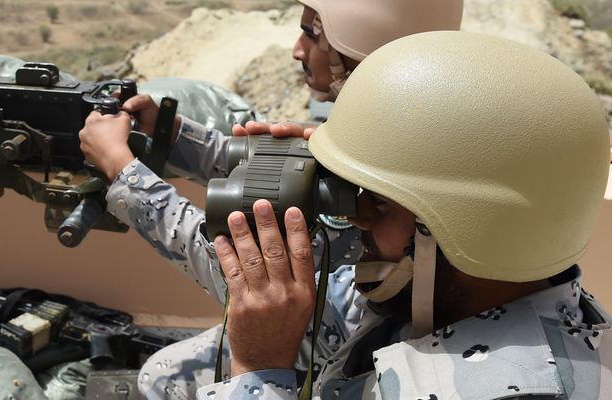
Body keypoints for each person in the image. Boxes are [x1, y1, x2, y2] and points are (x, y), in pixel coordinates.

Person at [199, 30, 612, 399]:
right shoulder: (505, 289)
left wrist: (257, 370)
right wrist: (341, 162)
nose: (359, 217)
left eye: (379, 202)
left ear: (464, 227)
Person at [78, 1, 463, 397]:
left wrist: (124, 174)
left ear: (351, 54)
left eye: (312, 34)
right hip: (364, 312)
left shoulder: (395, 182)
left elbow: (251, 277)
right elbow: (263, 177)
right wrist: (173, 136)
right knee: (166, 370)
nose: (297, 50)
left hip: (370, 337)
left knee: (163, 378)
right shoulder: (421, 129)